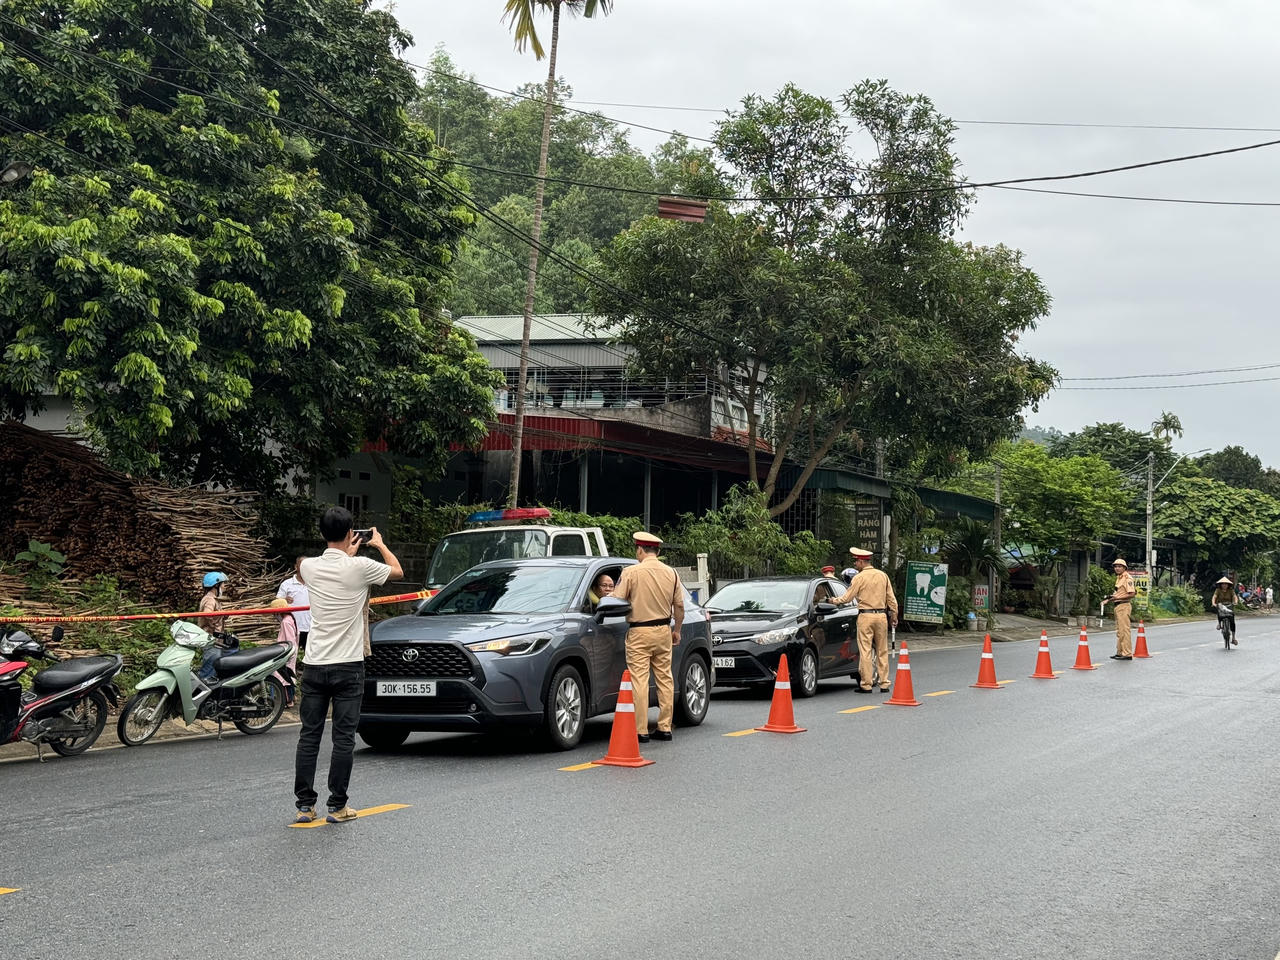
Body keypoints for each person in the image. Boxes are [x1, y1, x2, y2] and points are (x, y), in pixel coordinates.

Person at [293, 508, 403, 825]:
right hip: (348, 666)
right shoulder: (362, 567)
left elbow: (323, 566)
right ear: (351, 531)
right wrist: (379, 544)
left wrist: (346, 552)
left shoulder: (309, 567)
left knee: (308, 736)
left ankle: (304, 806)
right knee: (343, 738)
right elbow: (396, 571)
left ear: (322, 533)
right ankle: (337, 806)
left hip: (314, 664)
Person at [611, 532, 683, 743]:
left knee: (639, 680)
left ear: (640, 550)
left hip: (639, 632)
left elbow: (617, 600)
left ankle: (640, 730)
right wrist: (676, 630)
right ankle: (665, 727)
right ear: (658, 551)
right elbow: (679, 605)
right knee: (665, 678)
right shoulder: (672, 573)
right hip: (663, 630)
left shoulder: (631, 572)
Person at [830, 547, 898, 693]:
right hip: (881, 616)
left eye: (856, 562)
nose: (855, 564)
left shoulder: (859, 578)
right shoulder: (883, 575)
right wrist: (894, 615)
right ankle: (884, 683)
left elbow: (847, 598)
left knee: (865, 650)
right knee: (882, 650)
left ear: (861, 561)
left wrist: (833, 600)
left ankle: (866, 684)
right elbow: (891, 599)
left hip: (865, 616)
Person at [276, 557, 311, 655]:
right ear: (296, 567)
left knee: (311, 656)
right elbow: (277, 604)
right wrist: (284, 600)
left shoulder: (315, 584)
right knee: (290, 655)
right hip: (292, 627)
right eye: (302, 564)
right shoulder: (287, 584)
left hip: (311, 627)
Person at [1103, 558, 1137, 660]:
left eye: (1119, 566)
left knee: (1124, 630)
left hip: (1124, 605)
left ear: (1124, 568)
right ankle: (1120, 652)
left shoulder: (1127, 578)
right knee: (1119, 631)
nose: (1117, 568)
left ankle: (1127, 653)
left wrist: (1117, 598)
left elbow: (1132, 594)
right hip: (1118, 606)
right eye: (1115, 566)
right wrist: (1108, 599)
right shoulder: (1119, 578)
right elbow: (1118, 593)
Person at [269, 597, 300, 707]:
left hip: (287, 653)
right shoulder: (290, 619)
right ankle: (290, 698)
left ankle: (288, 700)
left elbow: (289, 640)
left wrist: (286, 654)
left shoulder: (286, 622)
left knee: (283, 677)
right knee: (288, 675)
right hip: (291, 651)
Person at [1211, 576, 1237, 645]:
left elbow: (1234, 596)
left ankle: (1233, 638)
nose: (1224, 585)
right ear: (1221, 584)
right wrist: (1213, 603)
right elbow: (1214, 597)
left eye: (1226, 584)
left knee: (1232, 622)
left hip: (1229, 605)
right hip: (1221, 605)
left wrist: (1235, 602)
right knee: (1219, 612)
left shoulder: (1231, 590)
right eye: (1223, 584)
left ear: (1228, 585)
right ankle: (1219, 624)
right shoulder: (1218, 590)